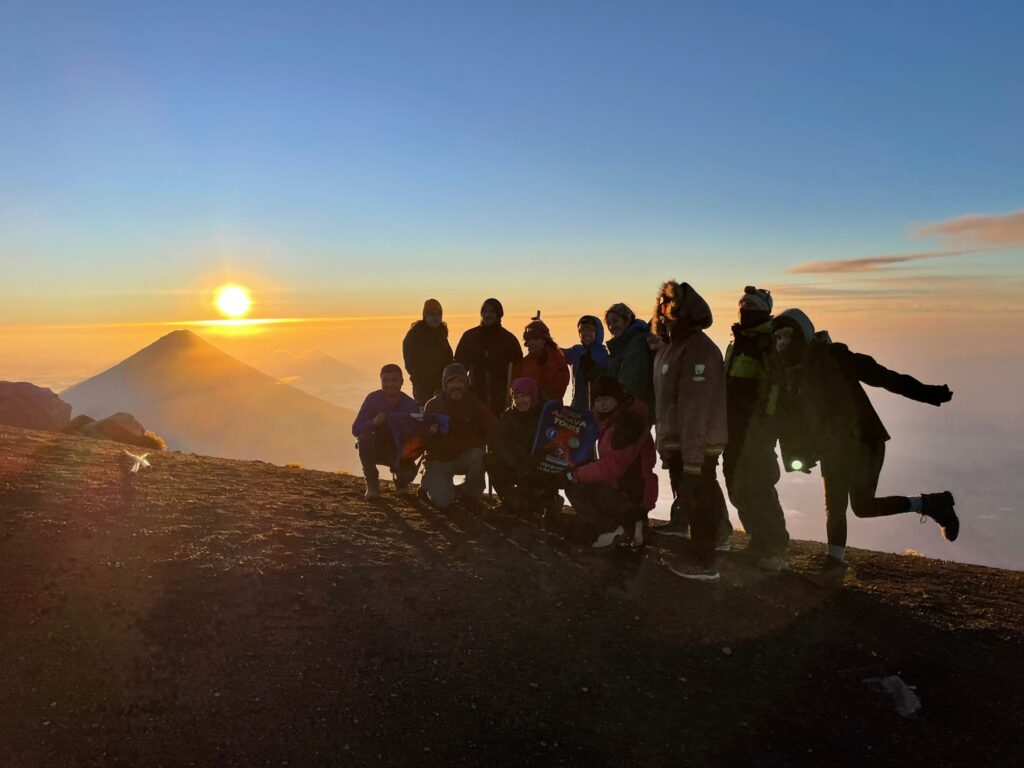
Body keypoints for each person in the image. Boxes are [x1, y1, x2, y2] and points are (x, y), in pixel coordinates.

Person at [770, 308, 958, 579]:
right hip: (833, 448)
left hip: (865, 442)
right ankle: (834, 567)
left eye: (788, 334)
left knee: (861, 507)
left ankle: (931, 504)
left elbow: (884, 377)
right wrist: (796, 456)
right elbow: (793, 421)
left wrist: (927, 393)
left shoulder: (835, 356)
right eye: (777, 338)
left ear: (804, 333)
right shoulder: (791, 374)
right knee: (837, 507)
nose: (783, 342)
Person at [651, 281, 729, 582]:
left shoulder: (698, 349)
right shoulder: (672, 346)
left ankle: (705, 562)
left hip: (696, 446)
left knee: (700, 500)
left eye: (670, 304)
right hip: (679, 444)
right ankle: (700, 553)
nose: (664, 309)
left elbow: (696, 408)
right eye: (662, 304)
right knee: (691, 499)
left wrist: (693, 460)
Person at [722, 286, 789, 571]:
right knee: (736, 485)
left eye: (750, 305)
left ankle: (774, 546)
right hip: (731, 428)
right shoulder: (736, 342)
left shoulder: (768, 342)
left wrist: (765, 426)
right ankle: (757, 540)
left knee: (759, 485)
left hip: (756, 430)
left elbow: (776, 386)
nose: (745, 309)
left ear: (763, 309)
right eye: (742, 305)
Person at [562, 375, 657, 549]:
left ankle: (613, 528)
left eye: (606, 398)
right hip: (625, 485)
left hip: (634, 489)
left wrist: (574, 474)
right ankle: (631, 525)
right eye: (597, 399)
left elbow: (612, 468)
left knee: (574, 484)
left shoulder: (629, 423)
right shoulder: (610, 419)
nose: (602, 403)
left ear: (617, 397)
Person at [421, 363, 496, 510]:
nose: (456, 386)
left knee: (479, 456)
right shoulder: (433, 406)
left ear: (466, 384)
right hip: (439, 459)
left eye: (460, 381)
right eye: (452, 382)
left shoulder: (475, 405)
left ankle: (470, 496)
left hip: (464, 457)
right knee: (442, 502)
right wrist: (429, 432)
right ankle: (429, 482)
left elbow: (494, 430)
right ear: (445, 384)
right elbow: (421, 437)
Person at [487, 377, 561, 517]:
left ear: (533, 395)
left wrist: (536, 460)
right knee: (492, 460)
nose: (521, 401)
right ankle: (510, 501)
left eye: (524, 396)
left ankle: (549, 499)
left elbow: (557, 442)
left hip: (540, 464)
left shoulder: (548, 415)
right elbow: (498, 441)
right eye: (517, 397)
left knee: (539, 485)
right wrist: (515, 461)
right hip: (518, 462)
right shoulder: (508, 416)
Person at [351, 364, 422, 499]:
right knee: (364, 439)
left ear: (402, 382)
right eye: (386, 380)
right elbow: (356, 429)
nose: (390, 384)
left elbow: (418, 434)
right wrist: (373, 422)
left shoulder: (410, 404)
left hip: (399, 451)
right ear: (381, 382)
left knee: (406, 475)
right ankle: (372, 485)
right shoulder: (373, 399)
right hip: (376, 447)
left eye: (394, 380)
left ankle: (401, 482)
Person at [454, 298, 524, 417]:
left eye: (491, 311)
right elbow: (459, 367)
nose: (487, 315)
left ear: (498, 314)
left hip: (502, 398)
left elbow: (519, 369)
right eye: (484, 311)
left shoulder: (508, 339)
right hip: (476, 395)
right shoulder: (470, 337)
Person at [604, 303, 655, 418]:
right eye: (609, 323)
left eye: (615, 321)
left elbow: (632, 381)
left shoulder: (636, 343)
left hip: (632, 410)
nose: (611, 326)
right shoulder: (624, 344)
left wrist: (619, 407)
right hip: (629, 407)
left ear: (627, 320)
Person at [403, 298, 454, 406]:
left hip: (442, 387)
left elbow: (448, 359)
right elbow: (411, 364)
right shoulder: (415, 335)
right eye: (431, 314)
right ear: (425, 316)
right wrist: (424, 383)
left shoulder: (441, 334)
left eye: (438, 314)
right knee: (427, 416)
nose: (435, 317)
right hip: (423, 388)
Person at [511, 315, 570, 404]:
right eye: (529, 339)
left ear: (545, 340)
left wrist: (545, 368)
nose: (532, 342)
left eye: (536, 338)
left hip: (547, 410)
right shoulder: (524, 362)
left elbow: (559, 388)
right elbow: (515, 385)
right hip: (526, 410)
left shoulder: (556, 359)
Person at [562, 315, 610, 411]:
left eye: (590, 330)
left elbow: (609, 377)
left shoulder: (604, 354)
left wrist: (594, 368)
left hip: (597, 408)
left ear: (598, 332)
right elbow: (558, 354)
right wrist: (546, 339)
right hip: (577, 406)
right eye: (582, 331)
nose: (585, 333)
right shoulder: (576, 351)